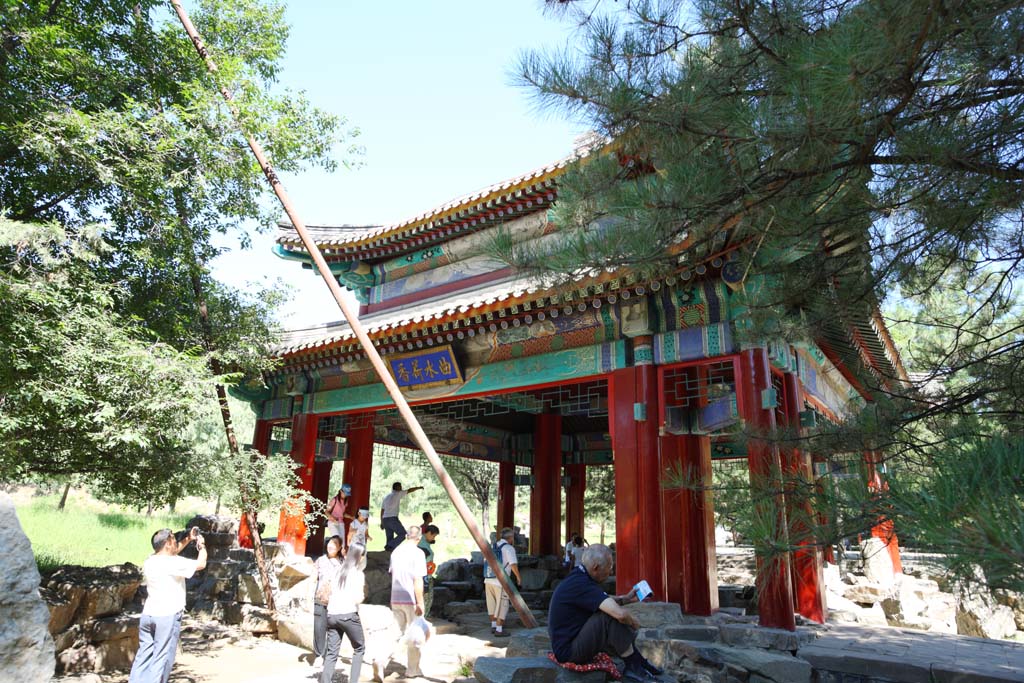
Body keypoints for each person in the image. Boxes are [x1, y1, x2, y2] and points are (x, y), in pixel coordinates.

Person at [547, 544, 662, 682]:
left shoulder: (580, 576)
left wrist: (625, 599)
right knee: (609, 617)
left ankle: (638, 661)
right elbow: (620, 614)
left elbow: (602, 599)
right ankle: (633, 666)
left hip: (573, 641)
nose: (611, 572)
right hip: (569, 652)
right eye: (610, 567)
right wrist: (634, 622)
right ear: (596, 567)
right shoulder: (581, 584)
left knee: (610, 613)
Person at [129, 527, 207, 683]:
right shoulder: (173, 563)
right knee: (162, 657)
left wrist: (189, 539)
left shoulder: (150, 560)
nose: (175, 541)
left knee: (144, 655)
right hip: (167, 616)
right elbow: (201, 564)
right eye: (172, 538)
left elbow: (174, 551)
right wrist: (202, 546)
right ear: (166, 543)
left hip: (148, 615)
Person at [321, 543, 367, 683]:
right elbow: (358, 598)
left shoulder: (337, 570)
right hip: (349, 615)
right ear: (360, 557)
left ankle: (325, 680)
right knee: (359, 648)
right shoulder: (358, 574)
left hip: (332, 615)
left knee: (331, 653)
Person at [389, 526, 428, 679]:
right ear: (419, 538)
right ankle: (412, 669)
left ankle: (379, 659)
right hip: (410, 599)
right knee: (415, 635)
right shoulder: (418, 553)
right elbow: (418, 580)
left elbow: (393, 573)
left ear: (406, 536)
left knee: (395, 633)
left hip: (395, 597)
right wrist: (421, 602)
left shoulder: (396, 552)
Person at [312, 535, 344, 668]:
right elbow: (314, 578)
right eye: (330, 543)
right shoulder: (320, 560)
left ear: (340, 548)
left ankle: (329, 655)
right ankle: (319, 655)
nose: (331, 546)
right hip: (320, 598)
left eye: (335, 544)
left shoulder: (343, 563)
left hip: (336, 600)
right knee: (319, 627)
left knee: (334, 629)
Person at [484, 527, 522, 638]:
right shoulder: (509, 548)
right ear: (511, 537)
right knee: (503, 604)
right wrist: (519, 578)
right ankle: (499, 630)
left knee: (491, 604)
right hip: (501, 581)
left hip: (488, 578)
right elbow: (513, 564)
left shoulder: (493, 546)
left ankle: (493, 625)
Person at [380, 481, 423, 551]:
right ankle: (389, 546)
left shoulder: (386, 497)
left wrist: (382, 522)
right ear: (396, 487)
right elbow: (409, 490)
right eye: (400, 486)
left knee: (390, 537)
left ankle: (388, 551)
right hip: (392, 518)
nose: (401, 488)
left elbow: (382, 510)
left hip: (385, 519)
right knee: (403, 534)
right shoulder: (398, 493)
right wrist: (419, 487)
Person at [418, 524, 439, 617]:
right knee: (425, 598)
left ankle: (422, 616)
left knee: (426, 597)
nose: (434, 538)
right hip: (423, 576)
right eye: (433, 536)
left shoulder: (425, 542)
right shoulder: (421, 544)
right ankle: (421, 617)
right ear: (429, 533)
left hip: (427, 574)